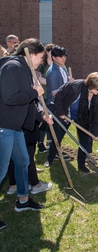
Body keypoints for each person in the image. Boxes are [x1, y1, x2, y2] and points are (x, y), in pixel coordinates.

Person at [0, 38, 46, 229]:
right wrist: (35, 93)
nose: (41, 62)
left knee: (23, 162)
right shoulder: (13, 67)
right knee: (1, 170)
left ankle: (23, 200)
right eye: (41, 58)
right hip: (4, 127)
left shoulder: (25, 69)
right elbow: (10, 98)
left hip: (15, 127)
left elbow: (27, 100)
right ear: (31, 53)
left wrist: (41, 115)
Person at [54, 72, 98, 173]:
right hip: (67, 113)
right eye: (97, 89)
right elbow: (59, 95)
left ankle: (81, 164)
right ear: (90, 86)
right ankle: (51, 157)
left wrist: (95, 133)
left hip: (84, 118)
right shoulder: (75, 86)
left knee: (85, 140)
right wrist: (60, 112)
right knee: (58, 136)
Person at [7, 99, 53, 194]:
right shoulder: (23, 86)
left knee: (14, 155)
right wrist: (43, 116)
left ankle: (13, 185)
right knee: (28, 155)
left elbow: (35, 102)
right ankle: (36, 185)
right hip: (25, 125)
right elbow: (32, 103)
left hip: (12, 123)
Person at [45, 45, 72, 166]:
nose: (63, 58)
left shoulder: (62, 68)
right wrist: (69, 91)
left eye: (64, 56)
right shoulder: (53, 72)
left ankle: (55, 151)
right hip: (55, 105)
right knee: (60, 130)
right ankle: (52, 156)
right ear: (54, 57)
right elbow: (54, 92)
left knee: (61, 129)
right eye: (60, 56)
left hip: (63, 104)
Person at [37, 43, 54, 153]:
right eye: (52, 51)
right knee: (43, 120)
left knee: (51, 120)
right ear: (47, 52)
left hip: (53, 98)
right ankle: (40, 142)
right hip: (42, 96)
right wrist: (55, 81)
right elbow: (39, 79)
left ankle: (49, 141)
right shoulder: (41, 65)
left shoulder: (58, 65)